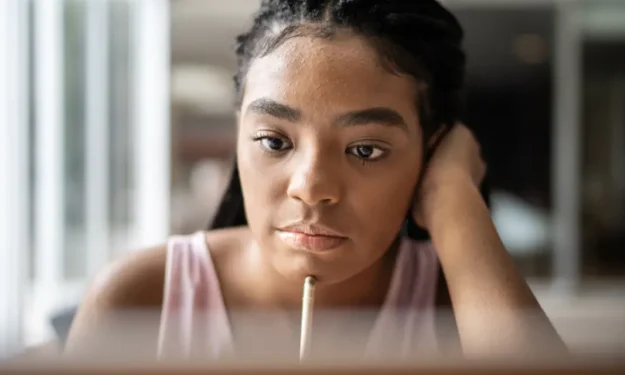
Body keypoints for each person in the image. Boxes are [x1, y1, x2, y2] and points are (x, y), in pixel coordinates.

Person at [66, 0, 564, 360]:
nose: (310, 186)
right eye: (275, 142)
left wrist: (452, 198)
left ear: (429, 153)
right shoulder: (142, 300)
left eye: (365, 149)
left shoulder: (458, 304)